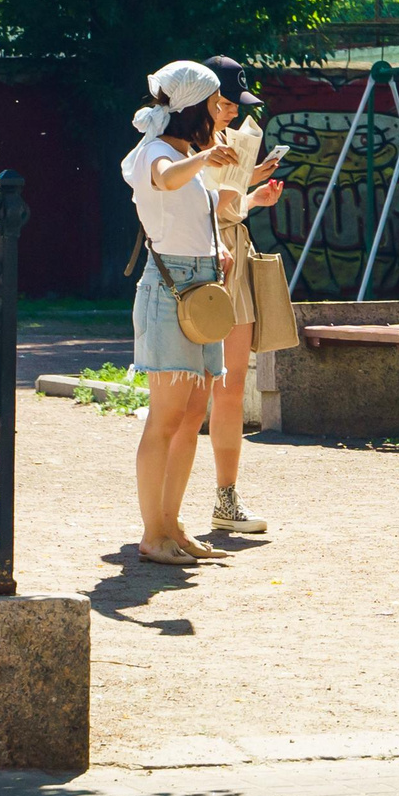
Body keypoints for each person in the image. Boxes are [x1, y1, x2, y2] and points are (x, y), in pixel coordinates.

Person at [123, 60, 243, 567]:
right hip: (170, 291)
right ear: (193, 108)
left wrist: (217, 250)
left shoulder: (183, 154)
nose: (222, 114)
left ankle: (172, 526)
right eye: (215, 105)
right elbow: (166, 181)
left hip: (199, 290)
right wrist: (208, 157)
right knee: (167, 417)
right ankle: (153, 533)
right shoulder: (156, 152)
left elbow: (190, 213)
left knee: (193, 415)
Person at [201, 55, 286, 535]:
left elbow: (227, 209)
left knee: (231, 387)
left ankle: (226, 497)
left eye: (238, 104)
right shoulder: (183, 147)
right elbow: (192, 210)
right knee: (192, 393)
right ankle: (165, 511)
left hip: (234, 252)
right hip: (202, 263)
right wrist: (245, 182)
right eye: (227, 103)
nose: (234, 112)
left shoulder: (226, 142)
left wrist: (253, 196)